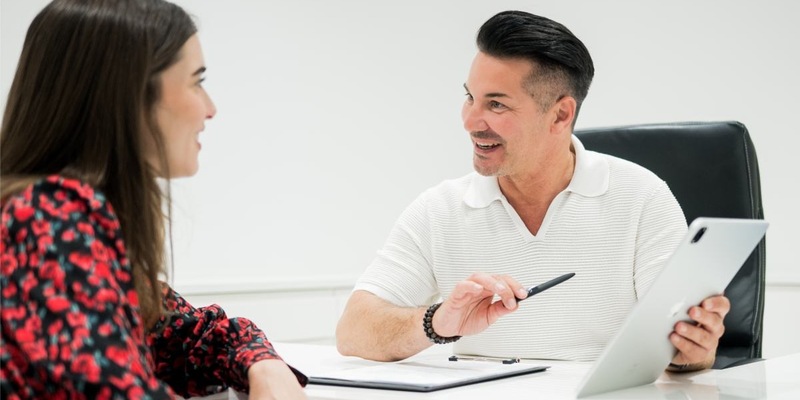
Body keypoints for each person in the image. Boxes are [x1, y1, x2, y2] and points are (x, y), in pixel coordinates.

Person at [336, 10, 729, 372]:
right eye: (470, 96)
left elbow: (680, 347)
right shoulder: (438, 209)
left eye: (497, 105)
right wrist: (438, 321)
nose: (471, 121)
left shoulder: (643, 198)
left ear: (560, 114)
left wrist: (692, 352)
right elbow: (353, 332)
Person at [0, 0, 307, 398]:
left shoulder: (65, 219)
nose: (210, 109)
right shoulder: (46, 221)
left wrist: (264, 365)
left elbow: (188, 336)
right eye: (197, 81)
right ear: (130, 95)